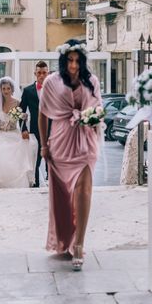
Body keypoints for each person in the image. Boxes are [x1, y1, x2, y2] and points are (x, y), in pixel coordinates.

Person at [38, 39, 103, 271]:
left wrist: (93, 119)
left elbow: (98, 110)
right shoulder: (51, 82)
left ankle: (79, 244)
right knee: (63, 196)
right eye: (69, 60)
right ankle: (65, 238)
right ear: (63, 60)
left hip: (85, 141)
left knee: (83, 191)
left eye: (77, 61)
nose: (73, 66)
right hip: (60, 141)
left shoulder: (92, 81)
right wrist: (44, 145)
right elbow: (43, 114)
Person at [0, 77, 38, 189]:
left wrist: (24, 126)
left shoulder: (18, 103)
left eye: (8, 88)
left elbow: (24, 119)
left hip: (14, 133)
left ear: (12, 89)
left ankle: (16, 183)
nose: (5, 91)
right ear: (0, 90)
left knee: (21, 146)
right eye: (3, 88)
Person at [20, 60, 49, 187]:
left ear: (47, 73)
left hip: (53, 130)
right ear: (35, 73)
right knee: (35, 161)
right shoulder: (27, 91)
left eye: (44, 73)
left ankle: (53, 186)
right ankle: (35, 186)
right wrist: (23, 129)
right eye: (39, 73)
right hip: (34, 130)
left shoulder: (53, 88)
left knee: (54, 161)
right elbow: (21, 111)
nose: (42, 75)